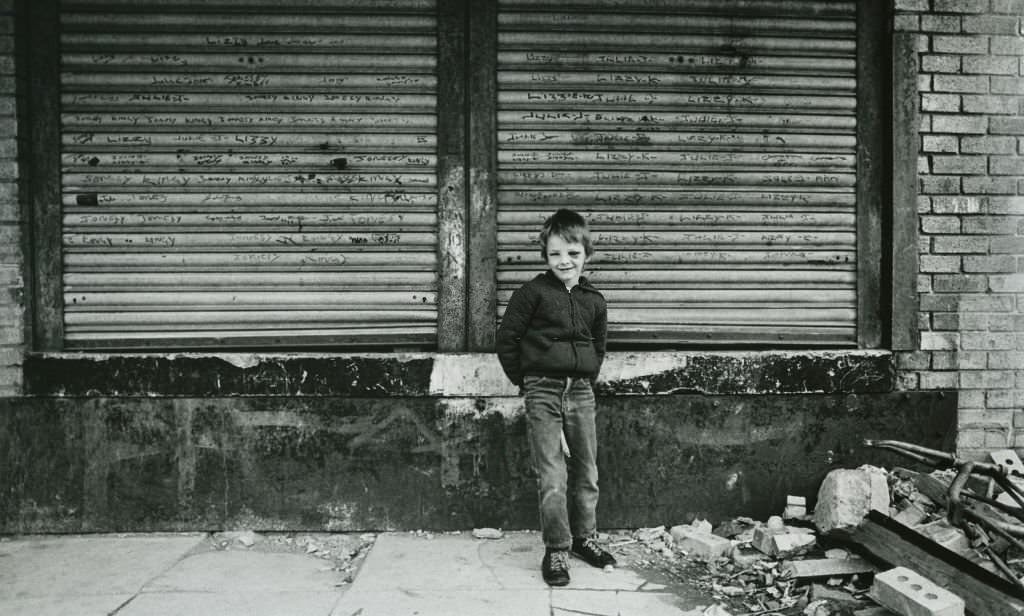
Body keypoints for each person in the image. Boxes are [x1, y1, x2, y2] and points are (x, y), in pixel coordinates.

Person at [495, 208, 616, 587]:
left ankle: (585, 540)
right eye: (555, 254)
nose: (565, 261)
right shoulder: (531, 294)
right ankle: (557, 549)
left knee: (587, 470)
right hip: (542, 389)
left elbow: (599, 345)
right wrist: (527, 381)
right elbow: (506, 340)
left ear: (587, 254)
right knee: (552, 474)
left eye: (573, 253)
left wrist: (587, 377)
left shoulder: (594, 300)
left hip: (580, 391)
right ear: (545, 256)